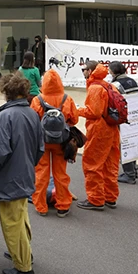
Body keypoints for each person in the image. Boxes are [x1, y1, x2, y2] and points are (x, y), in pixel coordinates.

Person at [0, 74, 44, 274]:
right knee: (21, 216)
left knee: (11, 221)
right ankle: (23, 252)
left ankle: (23, 265)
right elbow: (40, 147)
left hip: (9, 174)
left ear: (6, 93)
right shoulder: (32, 113)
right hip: (25, 171)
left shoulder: (5, 116)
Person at [30, 69, 79, 217]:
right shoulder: (67, 98)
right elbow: (74, 119)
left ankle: (41, 206)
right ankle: (63, 205)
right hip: (61, 142)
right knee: (60, 174)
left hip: (42, 142)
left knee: (41, 174)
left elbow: (33, 121)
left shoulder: (37, 99)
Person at [76, 61, 121, 211]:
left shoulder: (95, 87)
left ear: (90, 71)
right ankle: (110, 197)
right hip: (113, 128)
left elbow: (93, 112)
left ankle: (96, 199)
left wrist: (78, 110)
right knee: (110, 164)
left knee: (92, 163)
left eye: (84, 69)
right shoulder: (109, 85)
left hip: (99, 130)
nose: (83, 72)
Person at [109, 61, 138, 185]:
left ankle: (129, 174)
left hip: (123, 117)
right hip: (136, 115)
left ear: (113, 71)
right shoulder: (133, 81)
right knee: (133, 141)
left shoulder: (115, 84)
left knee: (125, 144)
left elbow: (113, 101)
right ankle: (133, 170)